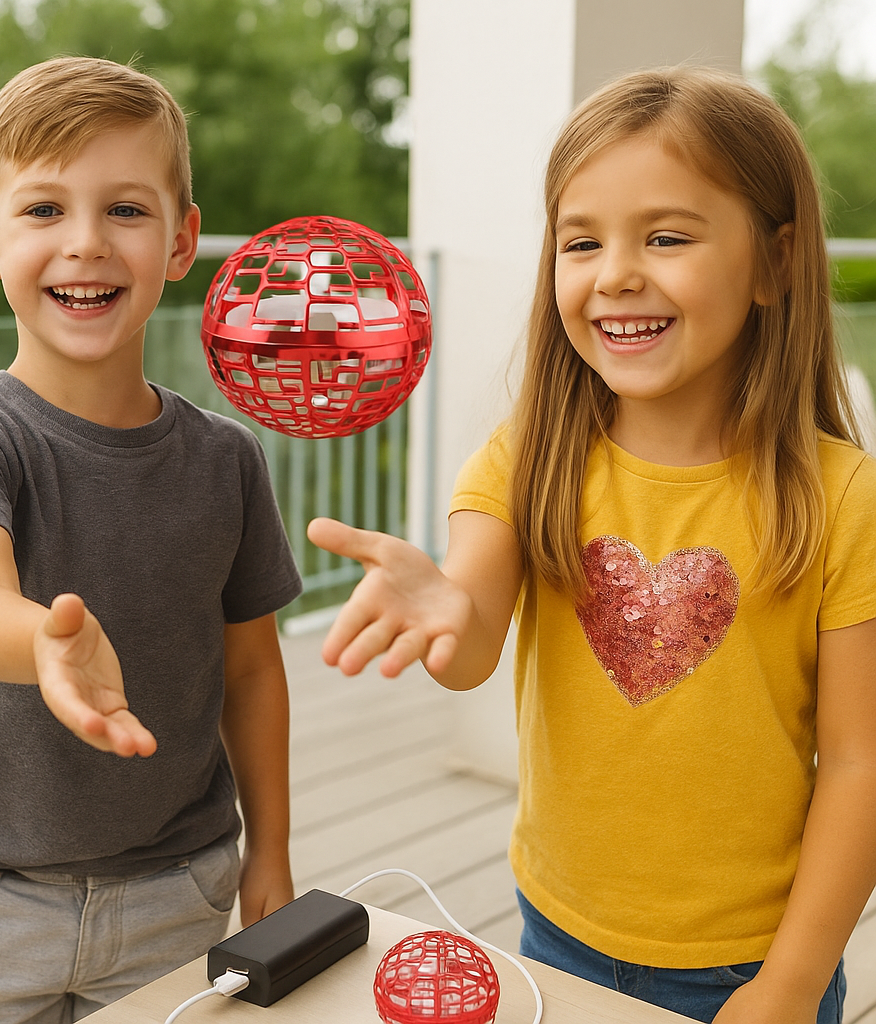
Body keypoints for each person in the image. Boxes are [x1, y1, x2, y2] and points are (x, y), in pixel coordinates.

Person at [308, 66, 876, 1024]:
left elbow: (862, 765)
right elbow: (467, 647)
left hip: (755, 971)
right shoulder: (524, 458)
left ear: (776, 262)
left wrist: (786, 987)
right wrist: (443, 608)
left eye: (666, 237)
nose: (615, 273)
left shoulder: (846, 500)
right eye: (581, 242)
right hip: (555, 935)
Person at [0, 56, 302, 1024]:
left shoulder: (227, 459)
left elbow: (252, 672)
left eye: (125, 209)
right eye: (44, 210)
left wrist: (273, 852)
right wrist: (42, 643)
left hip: (181, 888)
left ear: (181, 240)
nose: (85, 243)